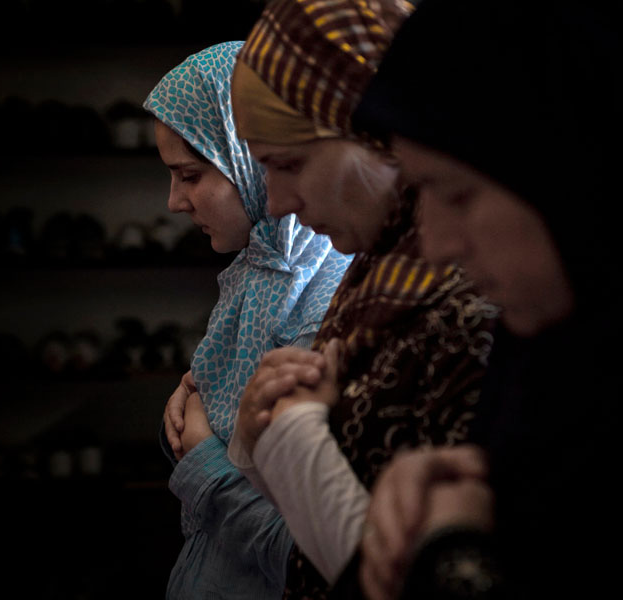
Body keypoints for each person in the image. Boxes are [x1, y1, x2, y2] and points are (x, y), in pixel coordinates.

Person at [341, 0, 623, 598]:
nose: (437, 246)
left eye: (459, 195)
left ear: (596, 171)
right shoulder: (550, 352)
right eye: (420, 190)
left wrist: (454, 559)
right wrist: (455, 491)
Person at [225, 1, 500, 597]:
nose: (276, 202)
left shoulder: (473, 301)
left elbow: (406, 575)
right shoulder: (375, 274)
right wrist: (259, 441)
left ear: (377, 140)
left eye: (288, 162)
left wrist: (290, 437)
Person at [143, 41, 352, 599]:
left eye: (189, 175)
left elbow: (306, 556)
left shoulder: (329, 301)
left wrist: (202, 457)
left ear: (249, 160)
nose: (174, 201)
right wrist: (194, 399)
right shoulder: (257, 273)